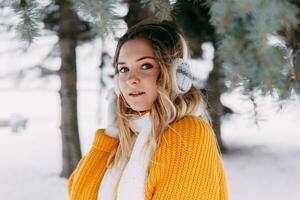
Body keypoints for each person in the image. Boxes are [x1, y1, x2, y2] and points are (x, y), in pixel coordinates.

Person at [68, 20, 228, 200]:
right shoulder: (130, 135)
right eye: (123, 69)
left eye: (146, 66)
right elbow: (79, 195)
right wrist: (111, 135)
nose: (130, 79)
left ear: (175, 74)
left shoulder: (188, 132)